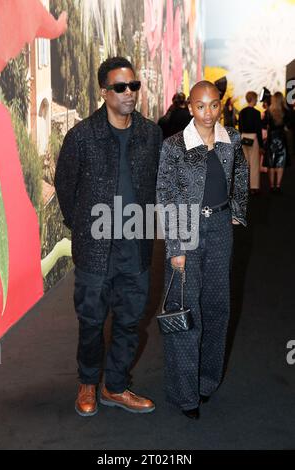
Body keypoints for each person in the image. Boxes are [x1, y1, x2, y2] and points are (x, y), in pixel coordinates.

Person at [54, 56, 162, 417]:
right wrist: (84, 228)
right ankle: (87, 382)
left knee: (130, 322)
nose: (129, 93)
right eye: (120, 87)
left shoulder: (151, 134)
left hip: (137, 247)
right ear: (104, 92)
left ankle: (114, 386)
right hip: (95, 250)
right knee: (91, 323)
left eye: (133, 85)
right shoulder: (82, 136)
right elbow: (65, 188)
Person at [156, 80, 248, 419]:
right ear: (189, 107)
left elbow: (240, 176)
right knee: (185, 310)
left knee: (217, 307)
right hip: (188, 233)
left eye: (213, 105)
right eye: (200, 106)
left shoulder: (231, 139)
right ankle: (185, 395)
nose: (207, 113)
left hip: (221, 228)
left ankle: (207, 381)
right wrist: (176, 245)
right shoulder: (174, 146)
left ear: (219, 105)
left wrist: (236, 213)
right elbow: (165, 195)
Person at [263, 91, 291, 193]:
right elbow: (288, 126)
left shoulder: (268, 112)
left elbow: (264, 125)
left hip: (271, 139)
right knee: (280, 163)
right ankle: (278, 186)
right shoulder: (286, 111)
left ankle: (271, 186)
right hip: (281, 139)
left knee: (271, 163)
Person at [238, 91, 264, 195]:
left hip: (243, 137)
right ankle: (254, 187)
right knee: (254, 164)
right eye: (256, 98)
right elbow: (258, 130)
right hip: (253, 137)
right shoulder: (256, 113)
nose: (257, 100)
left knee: (244, 164)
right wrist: (261, 145)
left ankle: (243, 186)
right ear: (253, 99)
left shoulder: (242, 112)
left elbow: (239, 127)